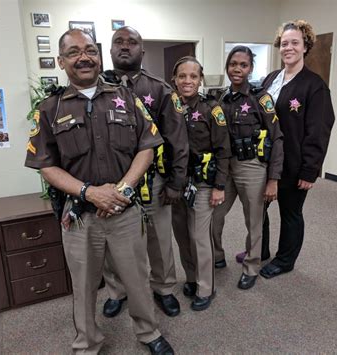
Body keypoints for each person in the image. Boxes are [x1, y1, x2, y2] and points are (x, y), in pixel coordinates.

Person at [24, 29, 174, 355]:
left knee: (137, 278)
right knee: (84, 285)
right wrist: (90, 193)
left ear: (99, 56)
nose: (84, 57)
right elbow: (45, 165)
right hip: (79, 217)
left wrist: (121, 189)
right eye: (74, 52)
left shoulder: (126, 97)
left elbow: (147, 148)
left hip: (124, 209)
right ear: (62, 61)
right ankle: (86, 343)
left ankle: (148, 333)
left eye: (90, 50)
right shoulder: (49, 108)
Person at [101, 26, 189, 318]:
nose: (125, 47)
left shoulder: (160, 89)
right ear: (110, 49)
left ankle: (164, 288)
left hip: (153, 182)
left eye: (132, 42)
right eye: (118, 42)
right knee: (113, 243)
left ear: (143, 50)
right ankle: (117, 291)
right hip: (110, 184)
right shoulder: (95, 88)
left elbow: (178, 139)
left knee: (159, 240)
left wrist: (176, 182)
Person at [257, 20, 335, 279]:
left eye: (295, 43)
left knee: (290, 213)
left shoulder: (314, 86)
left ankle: (285, 260)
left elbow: (319, 129)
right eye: (284, 43)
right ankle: (261, 250)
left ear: (305, 47)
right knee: (258, 209)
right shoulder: (270, 79)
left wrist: (310, 170)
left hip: (294, 163)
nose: (288, 47)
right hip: (265, 160)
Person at [211, 46, 284, 289]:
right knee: (214, 216)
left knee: (254, 221)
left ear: (250, 68)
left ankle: (252, 266)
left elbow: (276, 138)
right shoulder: (220, 98)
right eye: (233, 64)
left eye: (243, 65)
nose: (237, 69)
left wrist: (273, 179)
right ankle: (217, 256)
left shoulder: (260, 98)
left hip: (252, 167)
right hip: (225, 167)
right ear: (227, 66)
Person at [170, 56, 231, 310]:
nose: (187, 81)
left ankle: (206, 287)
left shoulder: (211, 108)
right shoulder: (168, 107)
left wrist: (219, 186)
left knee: (199, 237)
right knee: (182, 236)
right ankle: (192, 278)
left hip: (203, 183)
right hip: (175, 184)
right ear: (174, 79)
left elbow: (224, 149)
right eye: (182, 76)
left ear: (200, 79)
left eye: (193, 76)